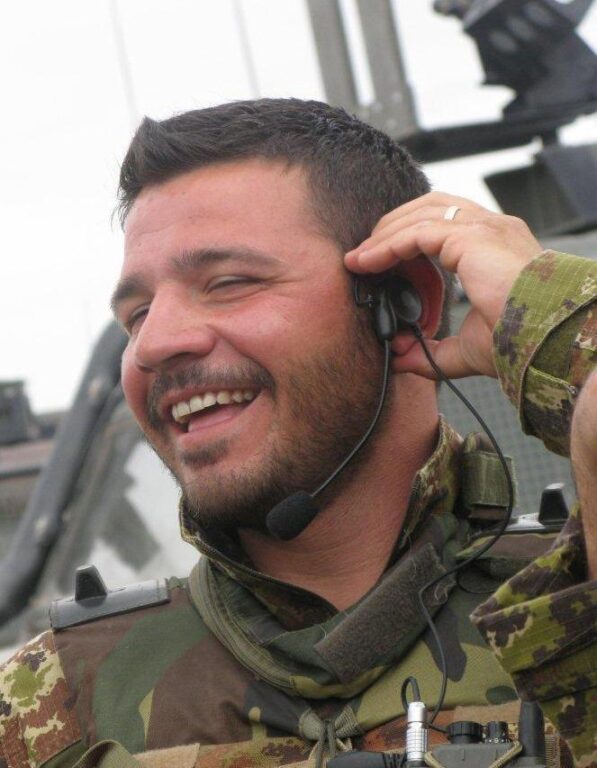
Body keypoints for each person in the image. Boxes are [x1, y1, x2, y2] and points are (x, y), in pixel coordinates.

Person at [1, 99, 596, 768]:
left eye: (228, 282)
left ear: (404, 303)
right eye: (137, 315)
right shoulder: (50, 704)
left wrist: (557, 320)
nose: (153, 344)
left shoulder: (578, 599)